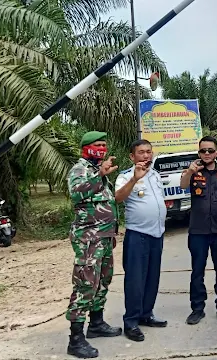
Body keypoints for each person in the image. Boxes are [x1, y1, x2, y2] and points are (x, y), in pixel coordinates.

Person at [65, 131, 122, 359]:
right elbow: (77, 194)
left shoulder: (96, 171)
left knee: (103, 280)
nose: (102, 149)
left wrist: (111, 232)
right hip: (88, 238)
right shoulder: (80, 170)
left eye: (104, 145)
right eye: (97, 145)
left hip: (104, 236)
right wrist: (100, 173)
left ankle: (96, 323)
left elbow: (105, 203)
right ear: (86, 147)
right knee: (86, 284)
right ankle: (75, 339)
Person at [115, 139, 168, 342]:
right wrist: (134, 180)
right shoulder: (125, 176)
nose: (146, 156)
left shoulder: (155, 175)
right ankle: (131, 322)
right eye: (141, 152)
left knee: (152, 278)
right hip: (138, 235)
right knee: (135, 280)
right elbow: (118, 198)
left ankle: (147, 314)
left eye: (148, 152)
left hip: (157, 234)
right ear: (132, 156)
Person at [179, 136, 217, 325]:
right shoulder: (193, 171)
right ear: (199, 153)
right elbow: (183, 185)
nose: (207, 154)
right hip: (198, 230)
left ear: (216, 152)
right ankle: (197, 309)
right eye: (203, 151)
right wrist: (189, 172)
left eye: (211, 150)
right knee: (197, 271)